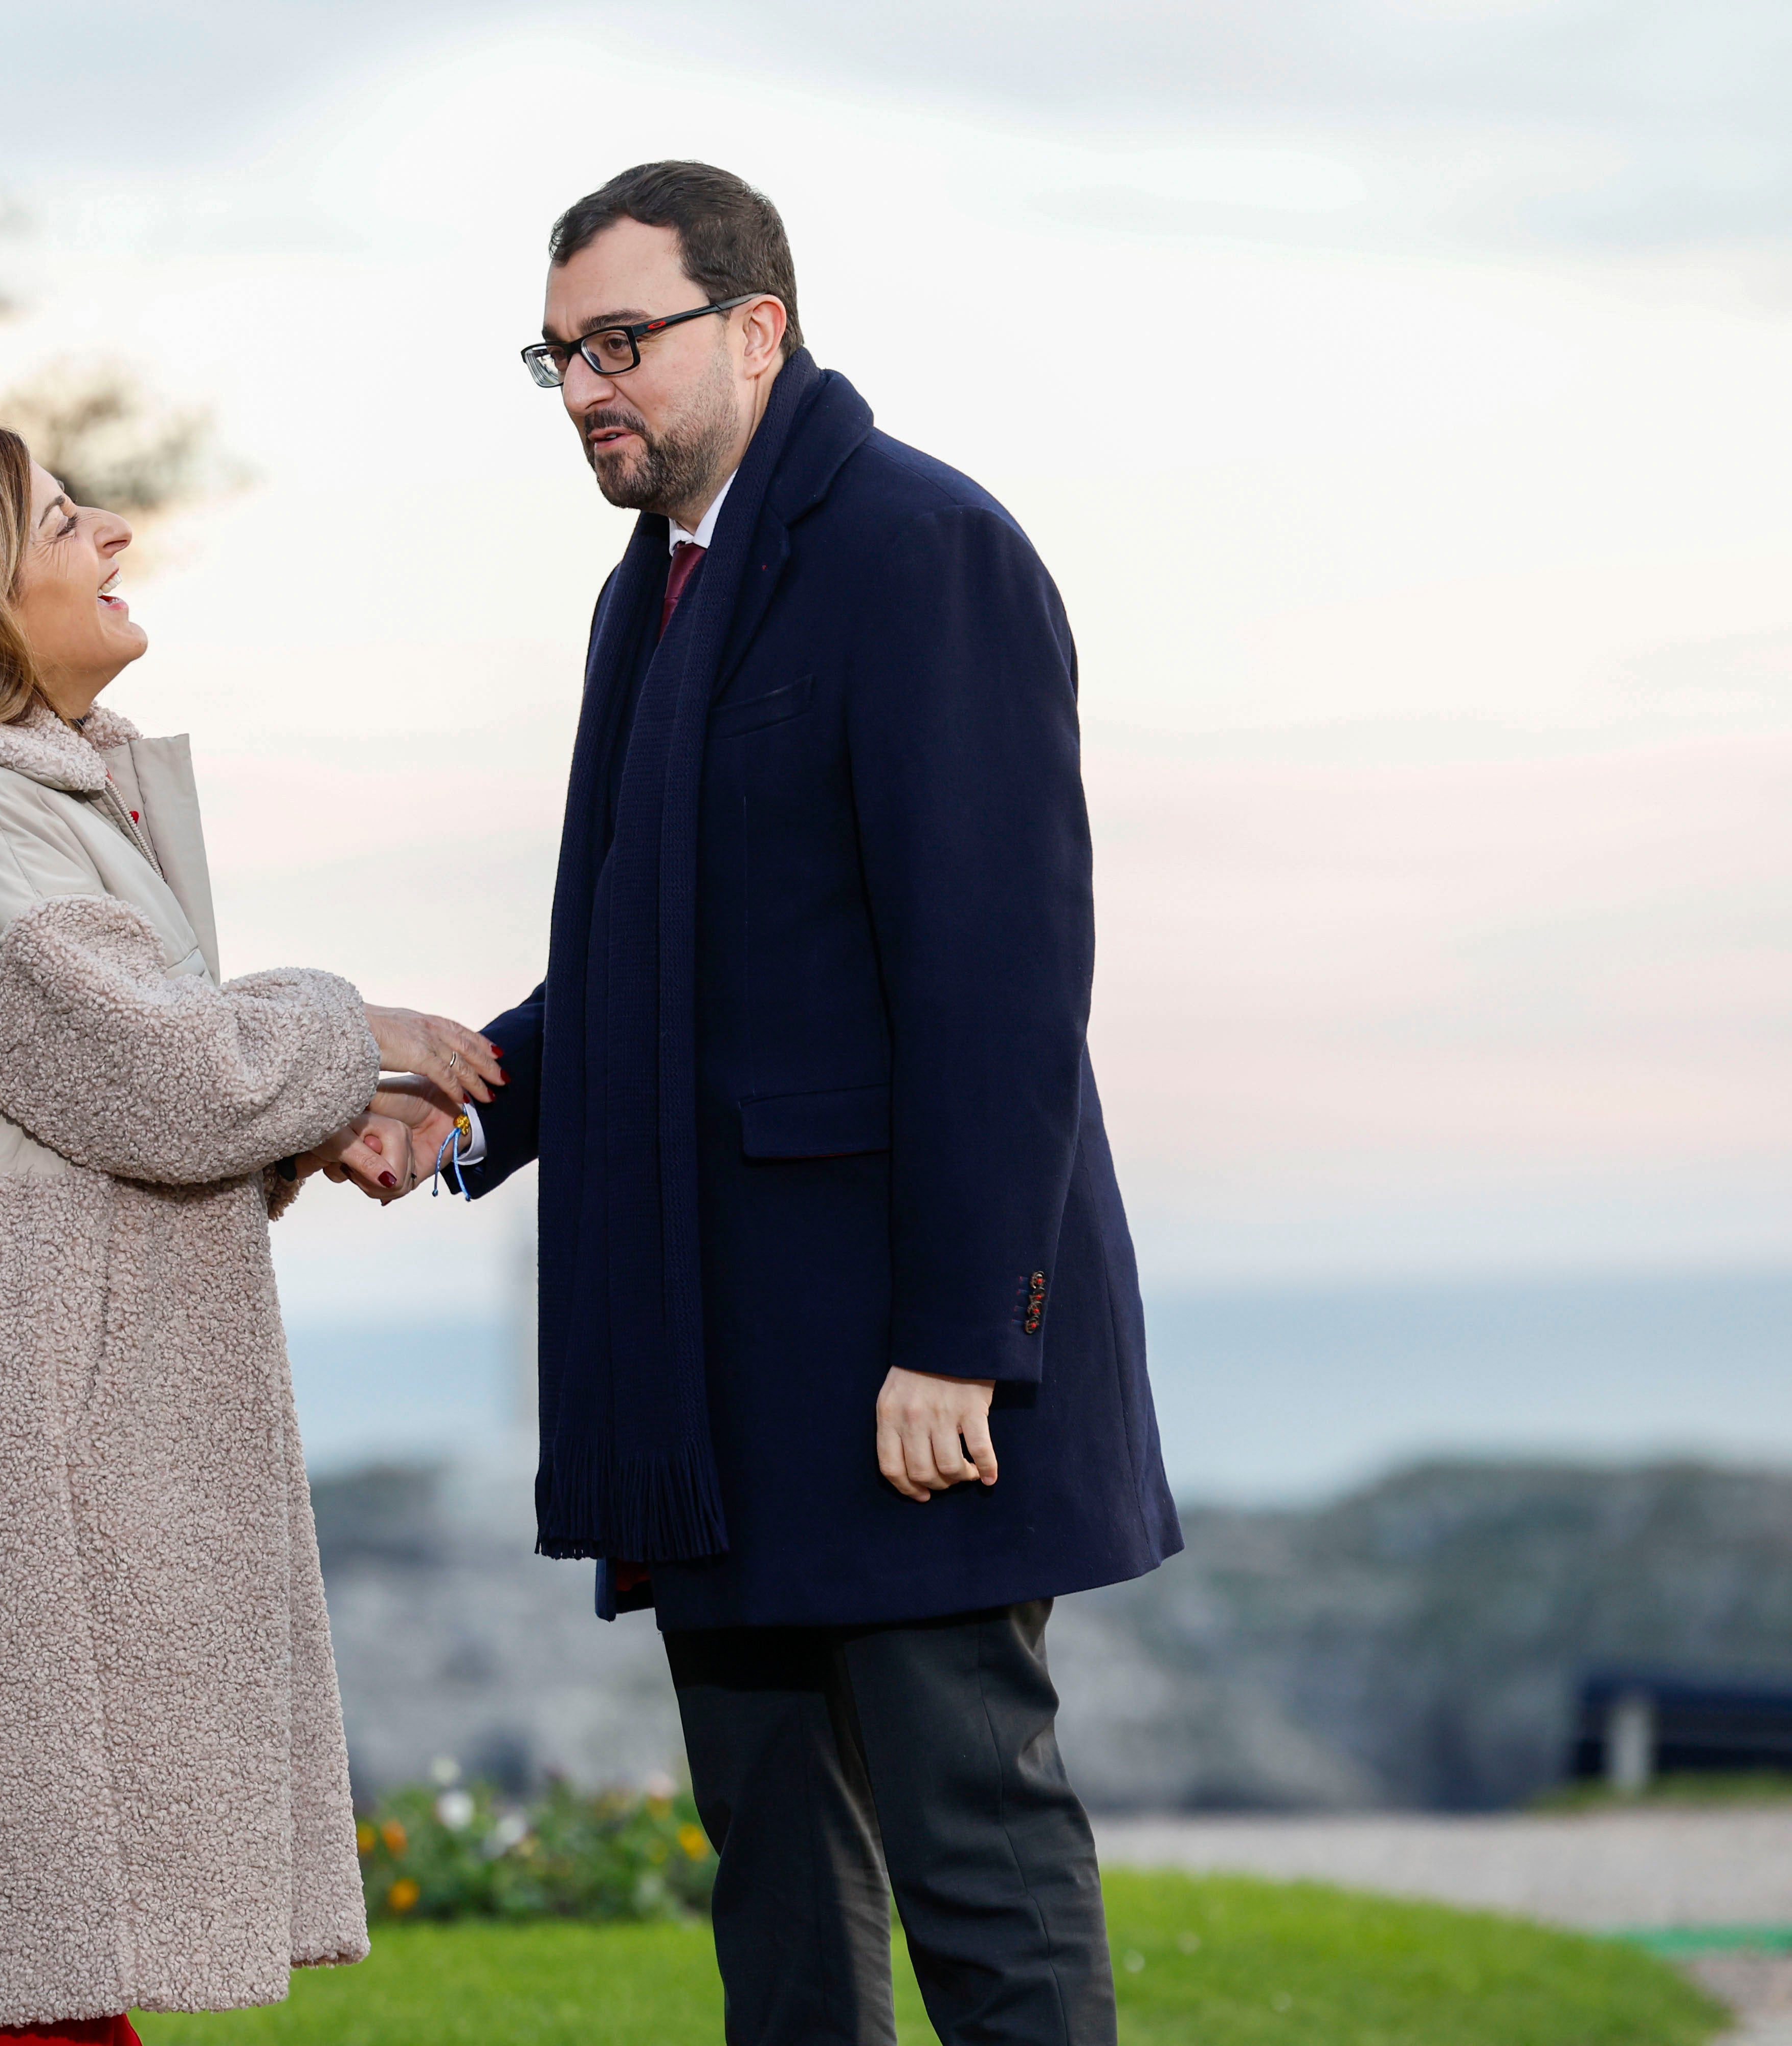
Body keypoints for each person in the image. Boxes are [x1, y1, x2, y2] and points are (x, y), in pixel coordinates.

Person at [456, 162, 1180, 2045]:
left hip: (895, 1370)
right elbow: (652, 960)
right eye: (559, 358)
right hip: (720, 1375)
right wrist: (461, 1104)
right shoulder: (663, 589)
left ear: (756, 329)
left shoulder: (916, 548)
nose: (590, 386)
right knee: (774, 1867)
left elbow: (1000, 979)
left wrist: (960, 1339)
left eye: (624, 340)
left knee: (975, 1852)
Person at [0, 422, 493, 2045]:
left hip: (50, 1405)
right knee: (25, 1920)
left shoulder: (29, 808)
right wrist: (363, 1028)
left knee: (52, 1913)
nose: (111, 533)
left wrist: (310, 1119)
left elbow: (124, 1090)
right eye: (63, 520)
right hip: (17, 1428)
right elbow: (170, 1077)